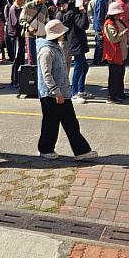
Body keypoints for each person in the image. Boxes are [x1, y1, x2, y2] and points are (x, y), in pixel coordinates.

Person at [36, 19, 97, 161]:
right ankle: (45, 149)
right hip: (51, 94)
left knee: (70, 122)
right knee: (51, 123)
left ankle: (81, 151)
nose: (64, 34)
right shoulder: (46, 51)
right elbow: (46, 75)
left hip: (62, 92)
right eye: (62, 32)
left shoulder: (55, 47)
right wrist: (56, 92)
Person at [61, 0, 90, 103]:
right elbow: (83, 25)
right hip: (76, 43)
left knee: (84, 66)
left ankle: (80, 90)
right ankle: (74, 92)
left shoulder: (72, 13)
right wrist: (83, 13)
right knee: (78, 67)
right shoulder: (74, 14)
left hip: (79, 42)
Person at [103, 2, 129, 104]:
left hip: (121, 53)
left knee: (120, 75)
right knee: (114, 77)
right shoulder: (109, 24)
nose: (119, 15)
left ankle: (120, 93)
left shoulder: (118, 21)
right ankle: (112, 96)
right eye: (118, 13)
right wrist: (124, 33)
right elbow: (113, 39)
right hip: (114, 54)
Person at [19, 0, 49, 66]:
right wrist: (28, 27)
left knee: (41, 58)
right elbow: (21, 20)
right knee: (32, 59)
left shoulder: (44, 8)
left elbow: (47, 21)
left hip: (42, 36)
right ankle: (33, 73)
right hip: (30, 36)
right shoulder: (28, 6)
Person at [8, 0, 27, 87]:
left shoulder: (22, 8)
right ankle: (15, 80)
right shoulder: (13, 8)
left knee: (22, 58)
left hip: (21, 36)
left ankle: (20, 79)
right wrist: (25, 24)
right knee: (17, 58)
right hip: (16, 36)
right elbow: (15, 23)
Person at [92, 0, 111, 65]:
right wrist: (102, 28)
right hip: (100, 27)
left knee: (103, 43)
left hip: (102, 25)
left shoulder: (105, 1)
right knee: (100, 44)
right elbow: (100, 16)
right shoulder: (101, 1)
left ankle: (102, 59)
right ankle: (97, 60)